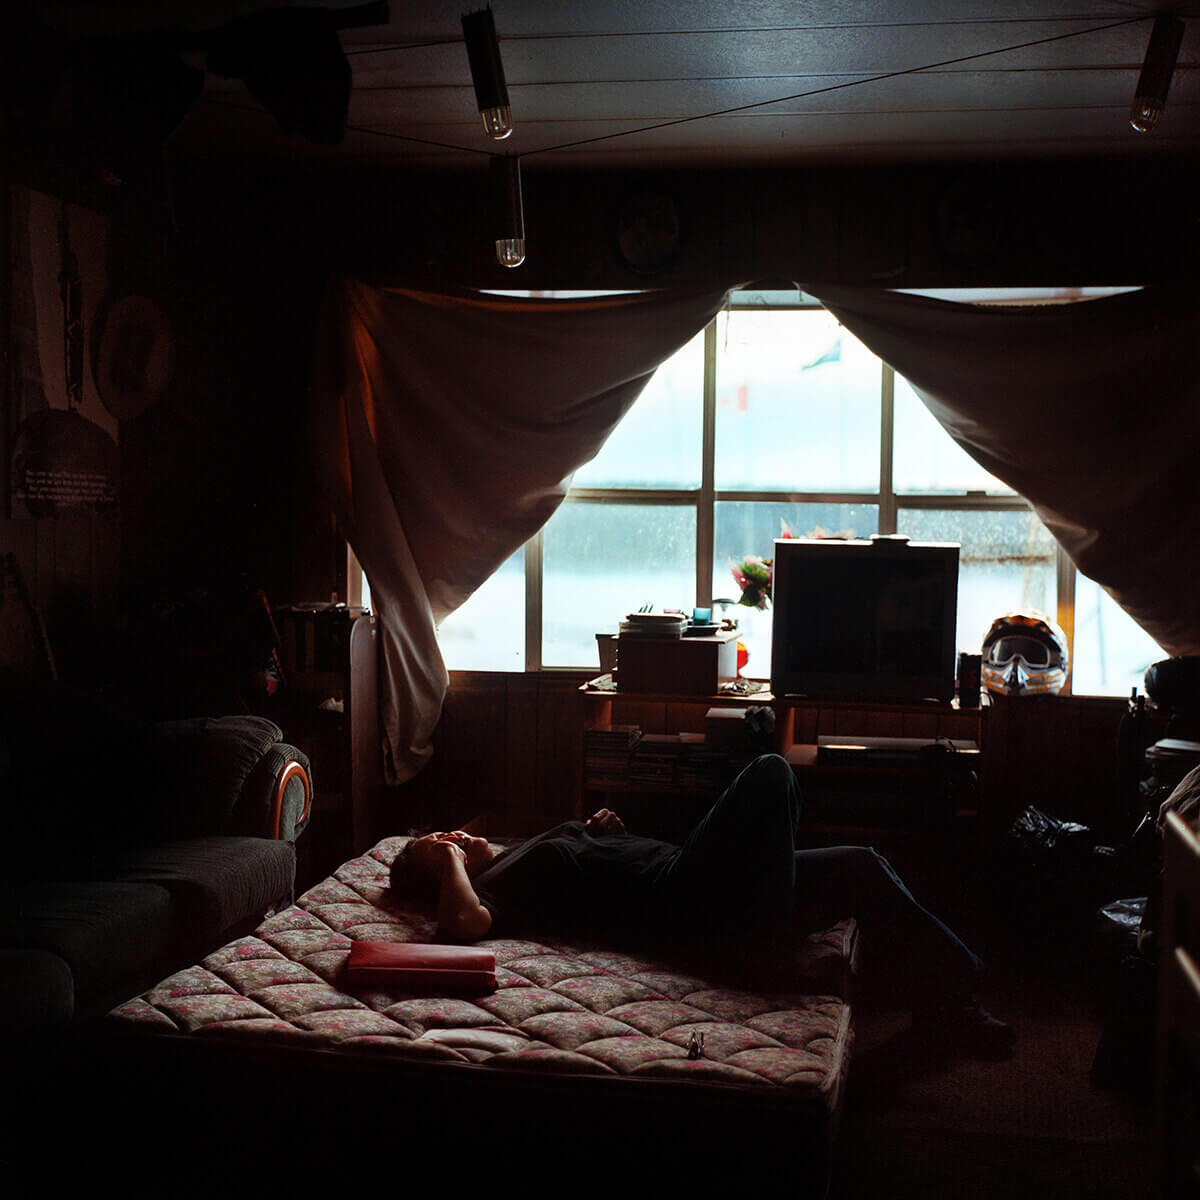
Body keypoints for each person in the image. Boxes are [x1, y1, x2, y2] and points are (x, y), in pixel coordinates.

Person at [391, 752, 1014, 1058]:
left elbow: (590, 876)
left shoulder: (520, 850)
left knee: (862, 865)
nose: (450, 838)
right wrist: (444, 861)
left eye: (444, 834)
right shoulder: (501, 882)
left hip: (700, 882)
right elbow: (463, 924)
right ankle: (756, 943)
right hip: (687, 901)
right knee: (771, 772)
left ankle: (951, 1001)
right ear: (442, 875)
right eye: (436, 848)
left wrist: (606, 833)